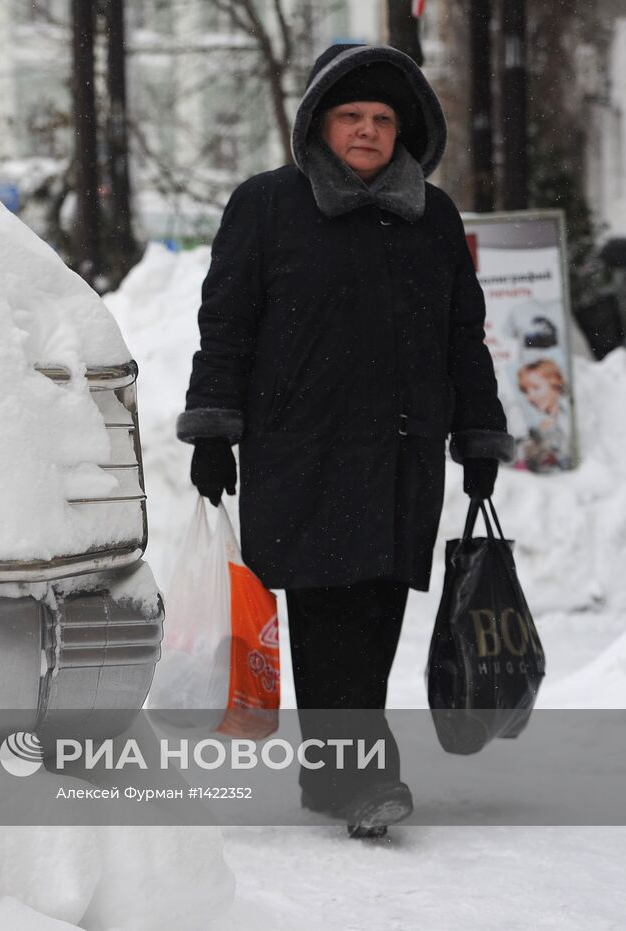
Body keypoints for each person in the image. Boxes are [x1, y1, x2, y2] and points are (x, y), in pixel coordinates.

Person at [176, 44, 514, 838]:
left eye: (383, 118)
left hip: (401, 453)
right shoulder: (267, 205)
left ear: (404, 130)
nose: (367, 130)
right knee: (329, 613)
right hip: (303, 452)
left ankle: (331, 777)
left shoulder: (432, 218)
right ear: (318, 124)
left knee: (376, 613)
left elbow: (463, 335)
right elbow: (226, 323)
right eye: (351, 115)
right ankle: (364, 777)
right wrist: (214, 426)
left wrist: (479, 433)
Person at [516, 358, 572, 470]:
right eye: (526, 391)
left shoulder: (568, 418)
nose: (530, 396)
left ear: (555, 384)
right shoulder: (535, 422)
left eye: (536, 388)